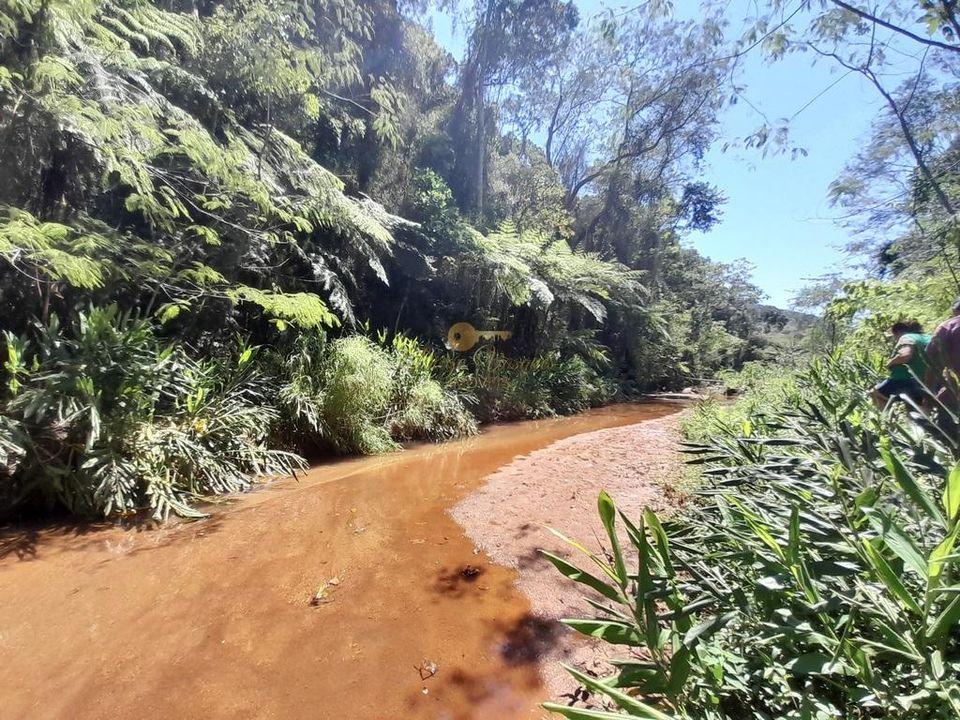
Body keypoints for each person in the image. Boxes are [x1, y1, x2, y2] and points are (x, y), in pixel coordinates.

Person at [870, 319, 931, 408]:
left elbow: (905, 355)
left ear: (898, 332)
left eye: (894, 336)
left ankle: (886, 419)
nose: (895, 339)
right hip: (929, 380)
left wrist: (890, 363)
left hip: (904, 379)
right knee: (917, 406)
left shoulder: (906, 337)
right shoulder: (929, 337)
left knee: (874, 393)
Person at [925, 300, 960, 410]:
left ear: (955, 311)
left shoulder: (948, 326)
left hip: (955, 393)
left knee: (947, 421)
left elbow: (931, 361)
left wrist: (928, 395)